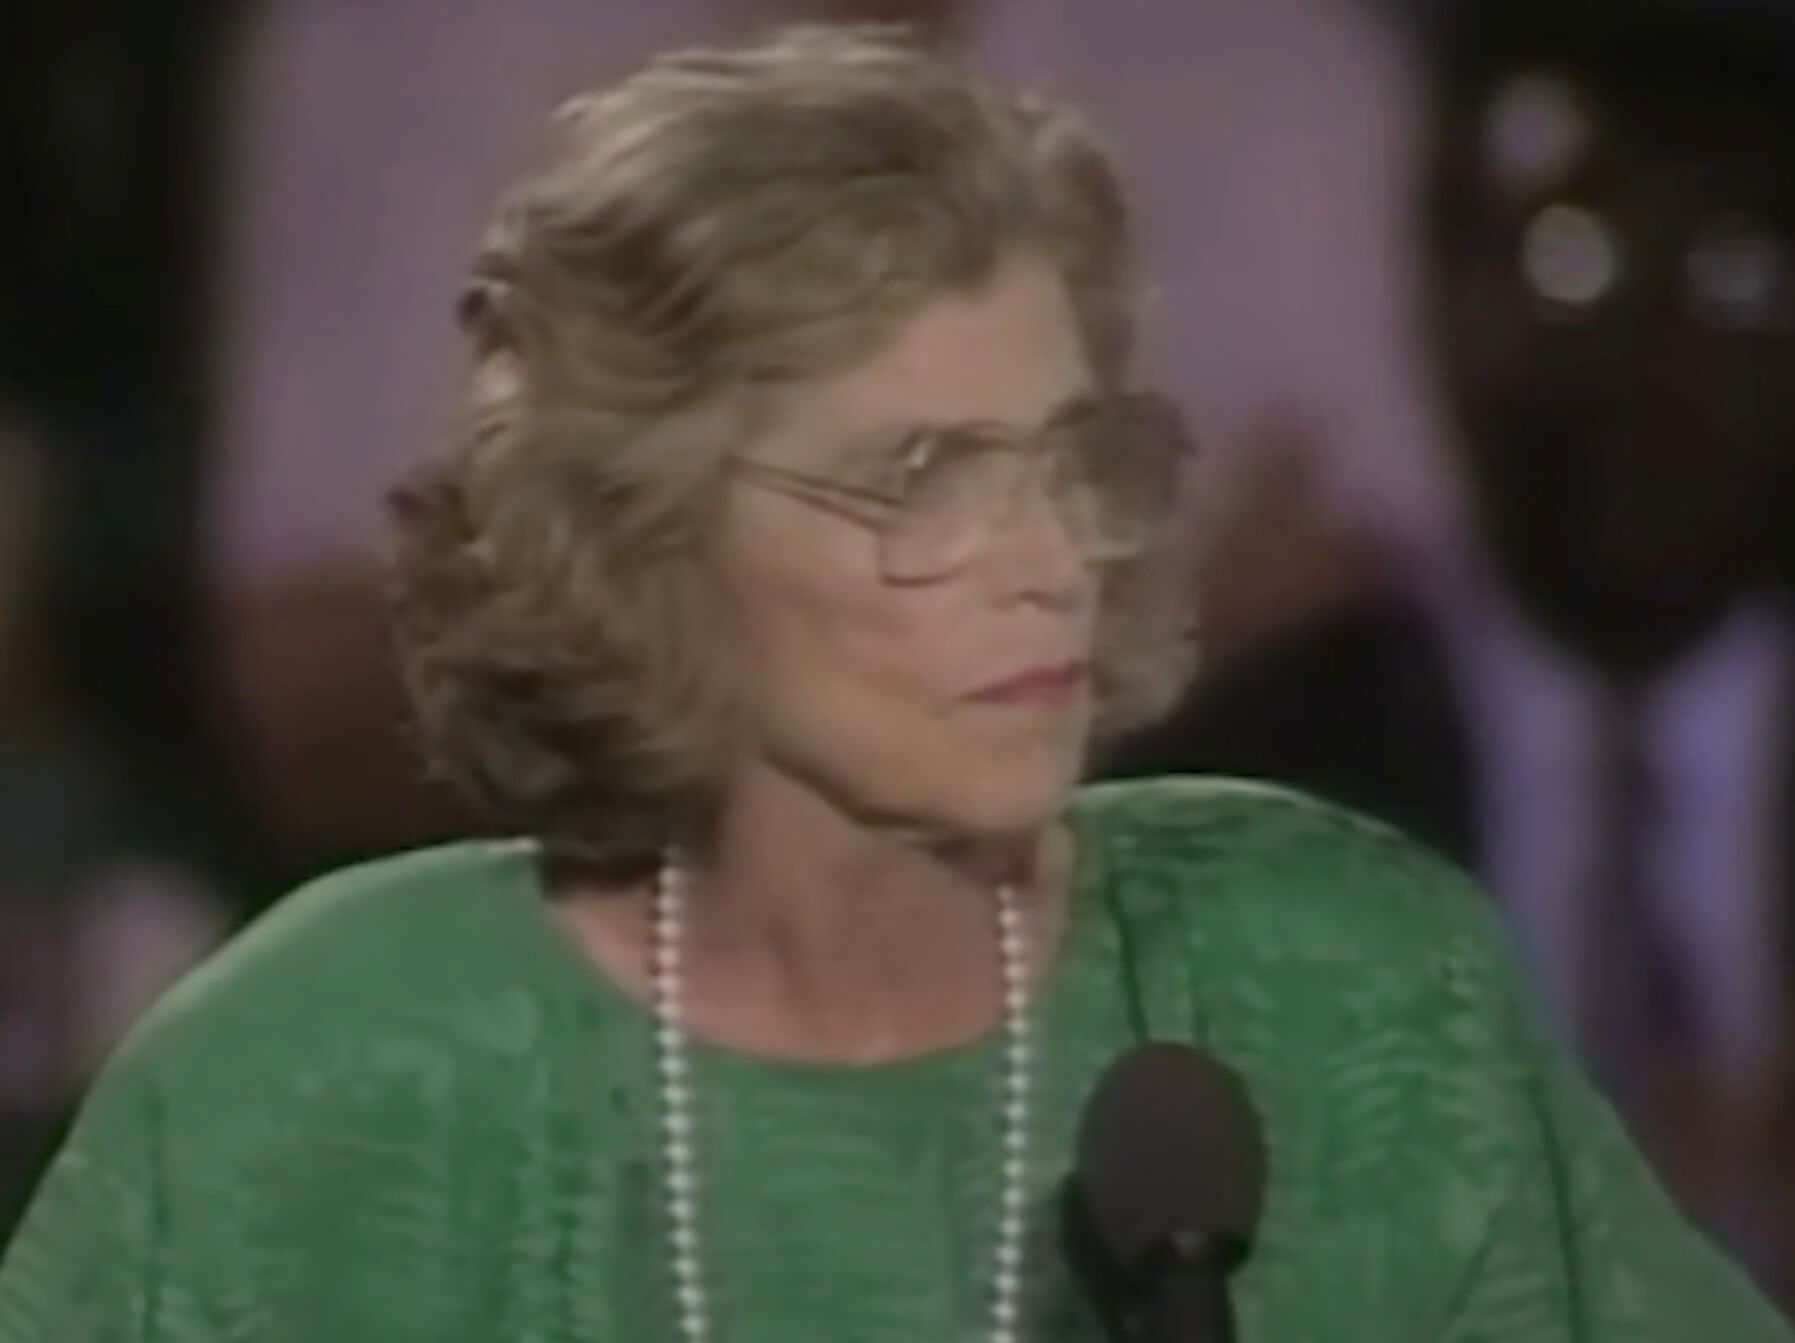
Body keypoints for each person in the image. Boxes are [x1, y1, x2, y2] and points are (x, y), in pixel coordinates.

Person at [0, 24, 1786, 1342]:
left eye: (1070, 460)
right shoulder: (317, 1066)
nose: (1039, 560)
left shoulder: (1351, 977)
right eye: (918, 475)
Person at [1102, 0, 1795, 1284]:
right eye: (1568, 257)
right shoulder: (1219, 810)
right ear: (1431, 273)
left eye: (1743, 271)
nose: (1654, 357)